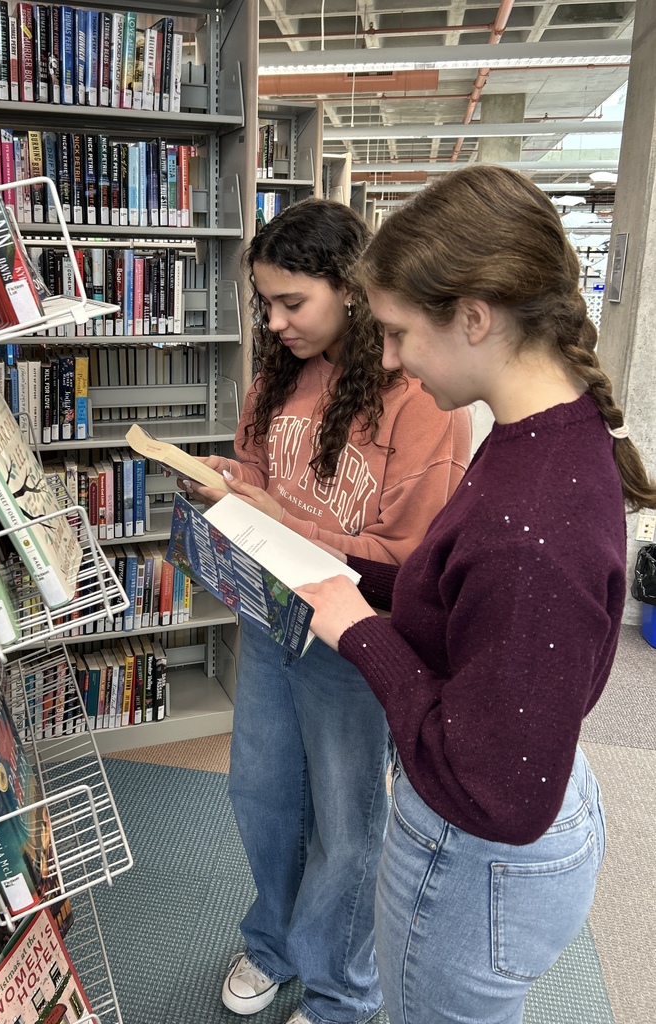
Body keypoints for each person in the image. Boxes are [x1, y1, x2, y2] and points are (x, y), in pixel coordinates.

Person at [295, 165, 656, 1024]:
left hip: (476, 859)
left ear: (473, 316)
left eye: (395, 333)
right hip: (525, 807)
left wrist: (359, 633)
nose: (385, 360)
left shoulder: (533, 522)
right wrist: (362, 578)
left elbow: (495, 792)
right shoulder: (545, 437)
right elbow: (466, 597)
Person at [182, 197, 472, 1024]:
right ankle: (273, 944)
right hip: (268, 619)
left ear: (350, 290)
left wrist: (275, 517)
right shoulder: (277, 375)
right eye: (264, 303)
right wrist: (221, 486)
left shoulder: (421, 399)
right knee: (262, 797)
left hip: (351, 641)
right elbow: (254, 474)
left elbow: (407, 564)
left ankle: (344, 991)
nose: (273, 322)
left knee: (348, 825)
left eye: (292, 302)